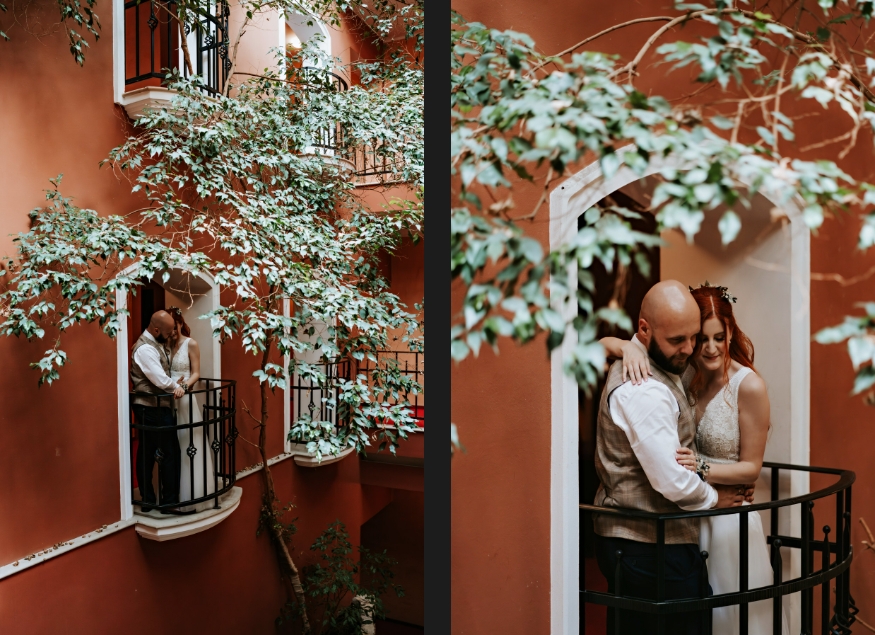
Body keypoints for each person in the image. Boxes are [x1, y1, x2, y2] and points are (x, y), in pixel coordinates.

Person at [601, 281, 788, 635]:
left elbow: (752, 467)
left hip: (725, 512)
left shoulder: (747, 385)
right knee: (700, 616)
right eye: (701, 338)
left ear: (731, 332)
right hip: (691, 517)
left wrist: (703, 469)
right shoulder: (682, 373)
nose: (706, 348)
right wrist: (624, 345)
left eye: (719, 337)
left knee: (733, 614)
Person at [131, 310, 185, 511]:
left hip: (152, 407)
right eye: (169, 331)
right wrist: (176, 387)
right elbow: (159, 379)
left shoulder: (155, 344)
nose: (171, 334)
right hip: (150, 407)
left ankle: (150, 500)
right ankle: (166, 501)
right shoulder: (145, 349)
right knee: (167, 452)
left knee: (148, 451)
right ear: (155, 330)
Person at [167, 306, 216, 512]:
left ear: (179, 322)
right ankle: (173, 493)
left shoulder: (191, 343)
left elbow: (196, 373)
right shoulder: (166, 345)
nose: (171, 329)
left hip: (185, 398)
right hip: (169, 398)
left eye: (173, 324)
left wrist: (184, 387)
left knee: (188, 442)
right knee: (172, 445)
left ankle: (193, 495)